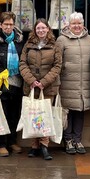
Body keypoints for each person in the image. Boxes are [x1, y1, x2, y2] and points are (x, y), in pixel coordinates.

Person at [19, 19, 63, 160]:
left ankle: (44, 145)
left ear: (48, 29)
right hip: (31, 87)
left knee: (45, 116)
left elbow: (57, 66)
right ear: (35, 30)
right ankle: (34, 146)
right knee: (33, 115)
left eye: (43, 28)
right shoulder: (28, 44)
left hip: (48, 87)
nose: (41, 30)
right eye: (38, 28)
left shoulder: (55, 45)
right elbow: (22, 63)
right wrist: (32, 81)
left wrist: (44, 82)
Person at [0, 11, 25, 157]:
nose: (8, 27)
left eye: (11, 24)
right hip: (0, 84)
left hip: (17, 83)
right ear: (0, 25)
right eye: (6, 24)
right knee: (2, 115)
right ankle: (0, 144)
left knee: (14, 114)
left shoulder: (19, 40)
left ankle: (12, 141)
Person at [56, 12, 90, 155]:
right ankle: (68, 140)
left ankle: (78, 140)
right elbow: (57, 62)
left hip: (84, 83)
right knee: (67, 112)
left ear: (83, 24)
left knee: (80, 112)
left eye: (79, 23)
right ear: (68, 25)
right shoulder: (61, 40)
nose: (77, 26)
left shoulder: (89, 39)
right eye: (74, 23)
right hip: (66, 82)